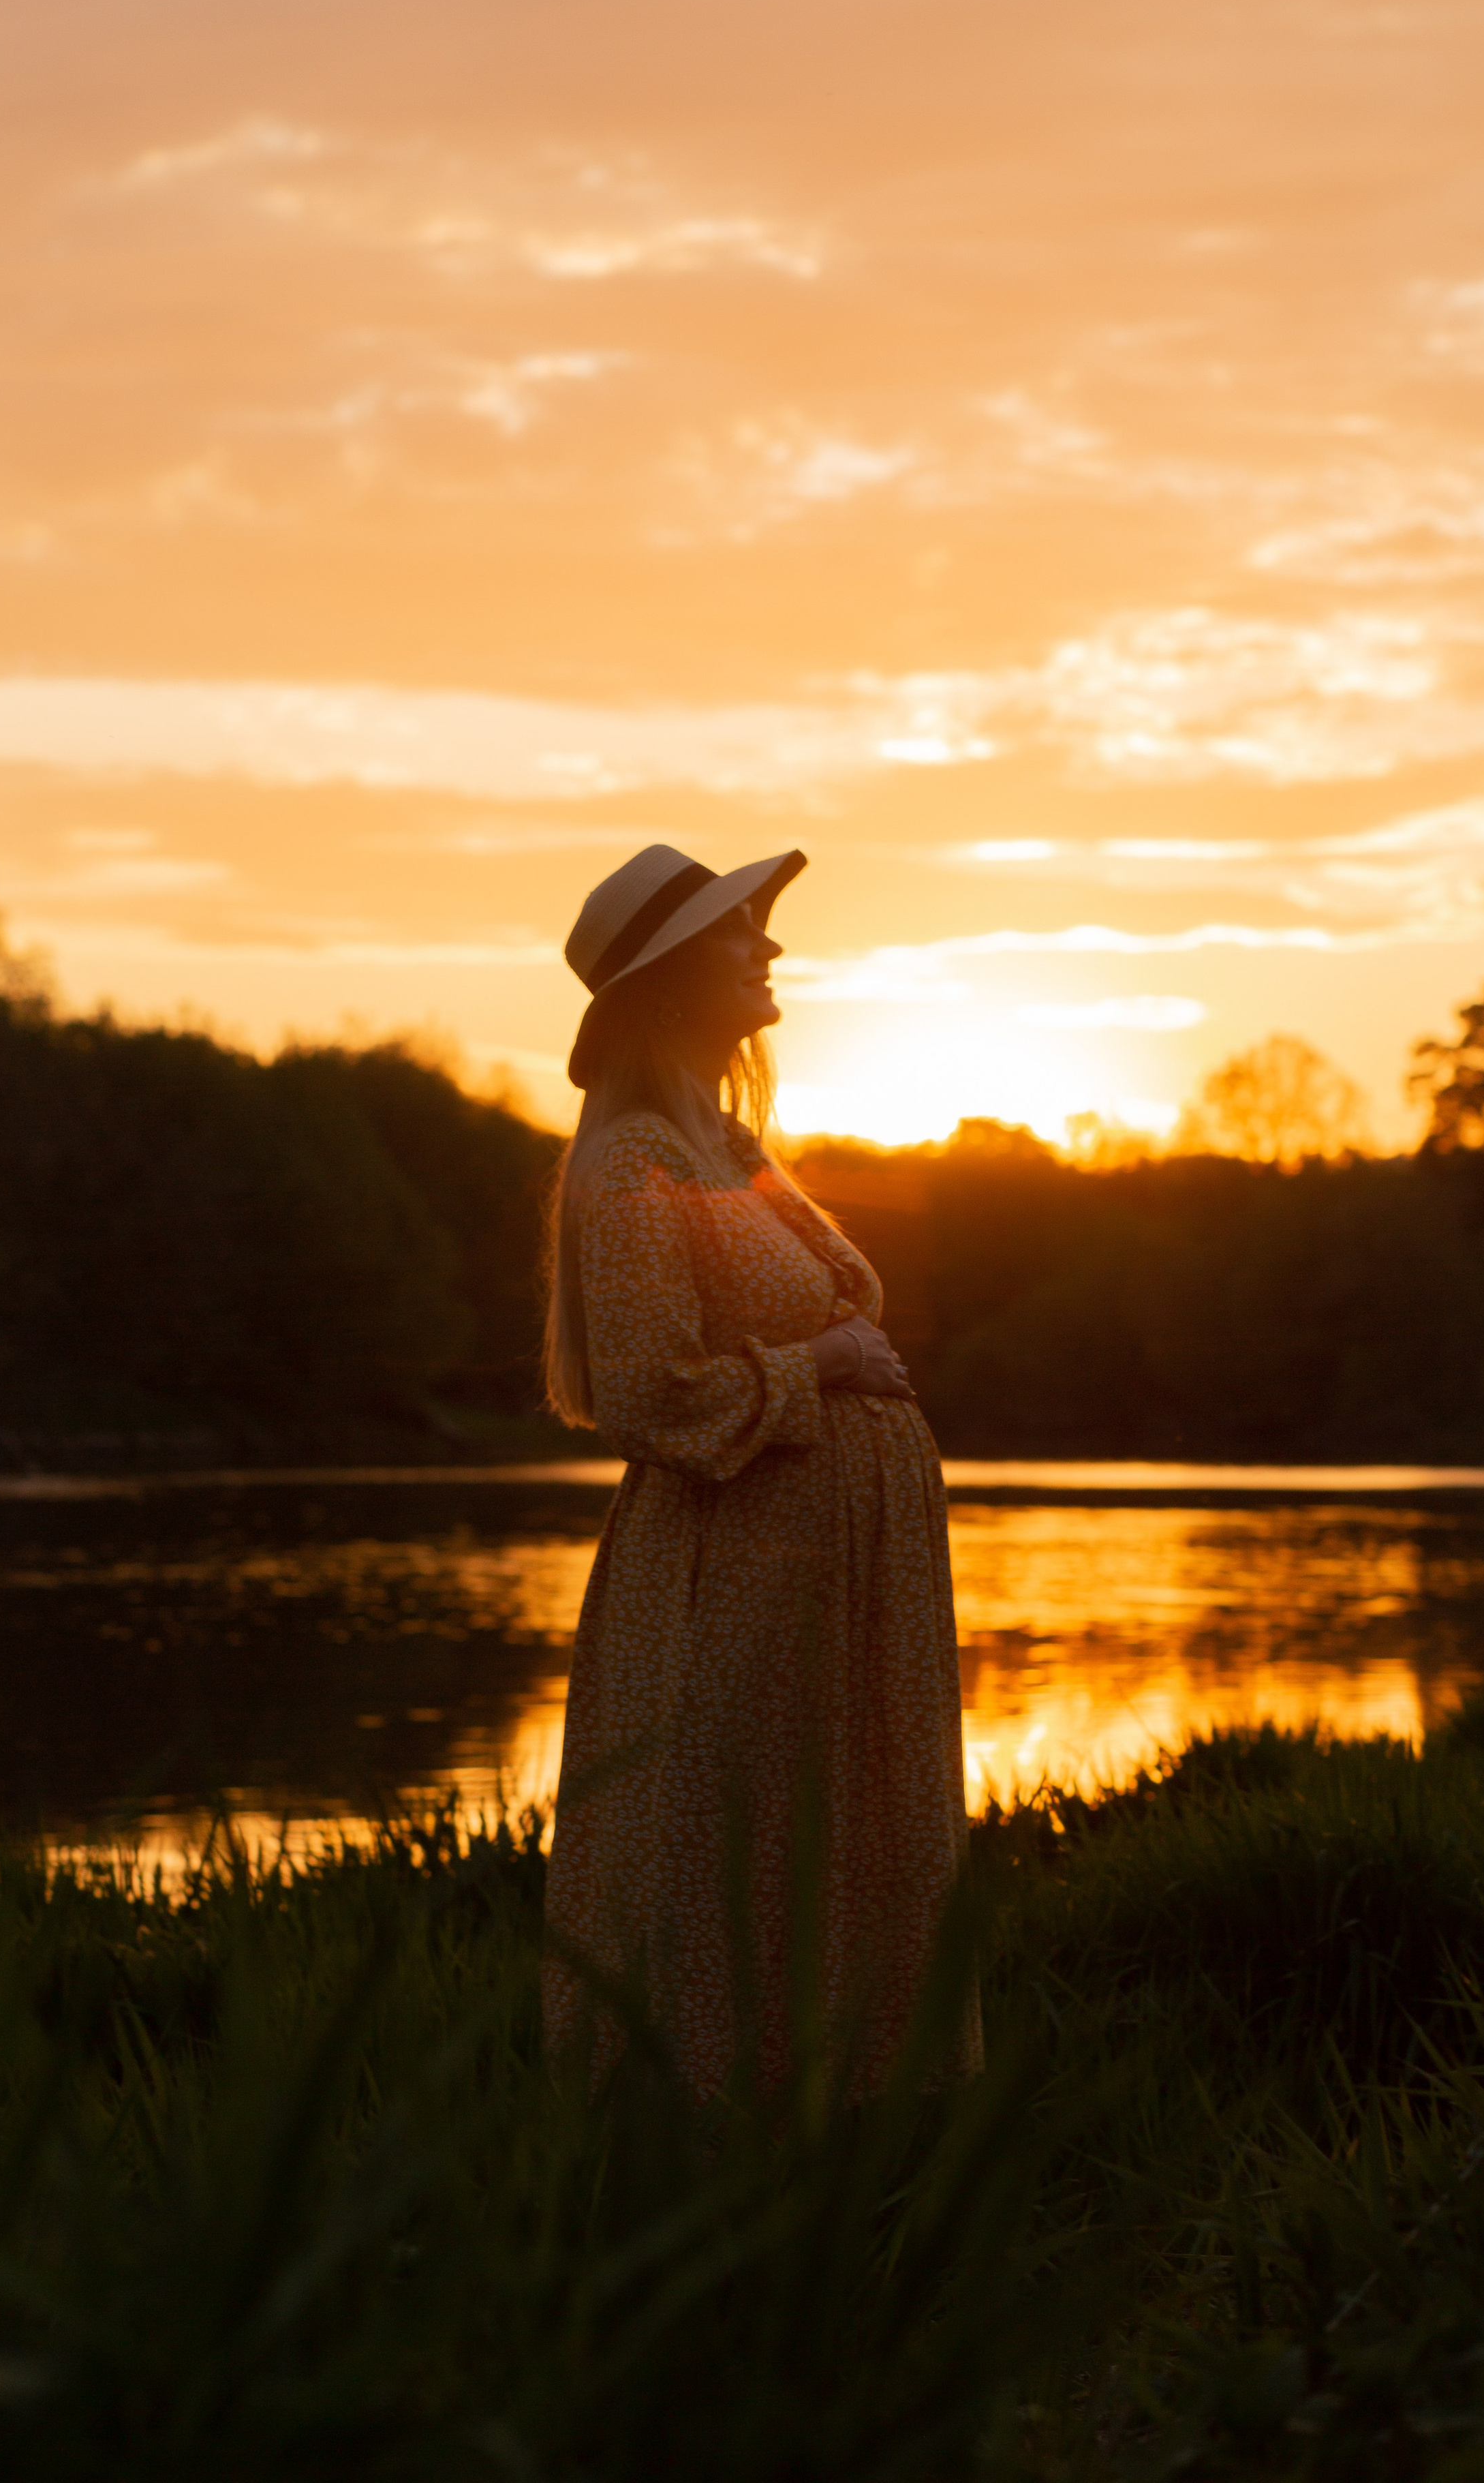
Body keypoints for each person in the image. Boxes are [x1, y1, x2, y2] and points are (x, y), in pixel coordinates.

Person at [540, 842, 980, 2099]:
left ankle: (860, 2129)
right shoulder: (631, 1164)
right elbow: (644, 1393)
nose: (771, 948)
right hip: (741, 1588)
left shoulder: (729, 1147)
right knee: (742, 1857)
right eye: (743, 932)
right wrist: (824, 1367)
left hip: (823, 1590)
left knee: (845, 1846)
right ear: (674, 977)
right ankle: (709, 2144)